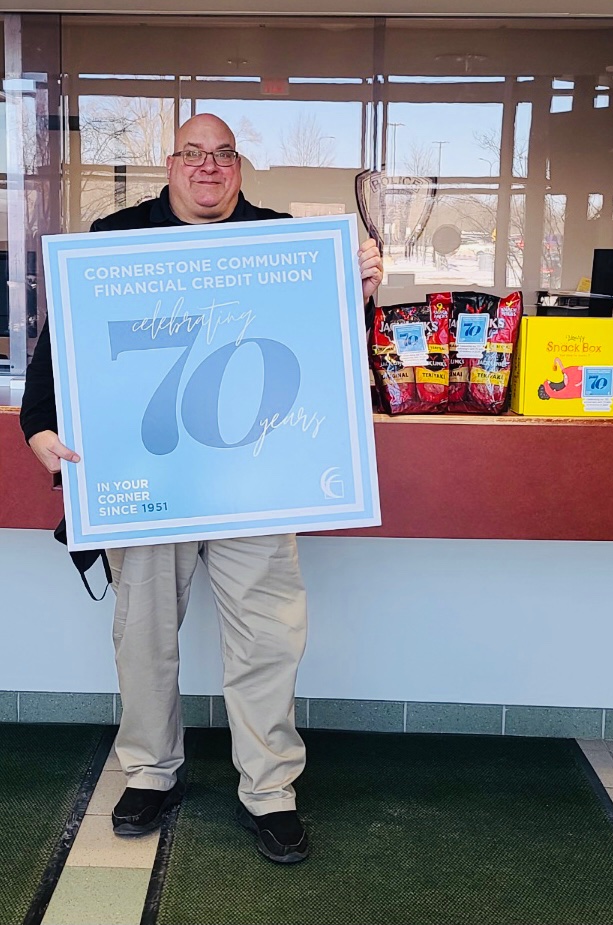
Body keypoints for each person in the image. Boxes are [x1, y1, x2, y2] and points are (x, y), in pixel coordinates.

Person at [20, 113, 383, 864]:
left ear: (239, 167)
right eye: (194, 154)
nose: (208, 167)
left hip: (256, 479)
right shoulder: (112, 236)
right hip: (149, 478)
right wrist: (39, 426)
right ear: (170, 162)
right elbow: (64, 345)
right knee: (143, 635)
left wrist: (357, 293)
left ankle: (270, 790)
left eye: (223, 155)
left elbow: (322, 345)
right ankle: (152, 773)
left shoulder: (280, 242)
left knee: (266, 635)